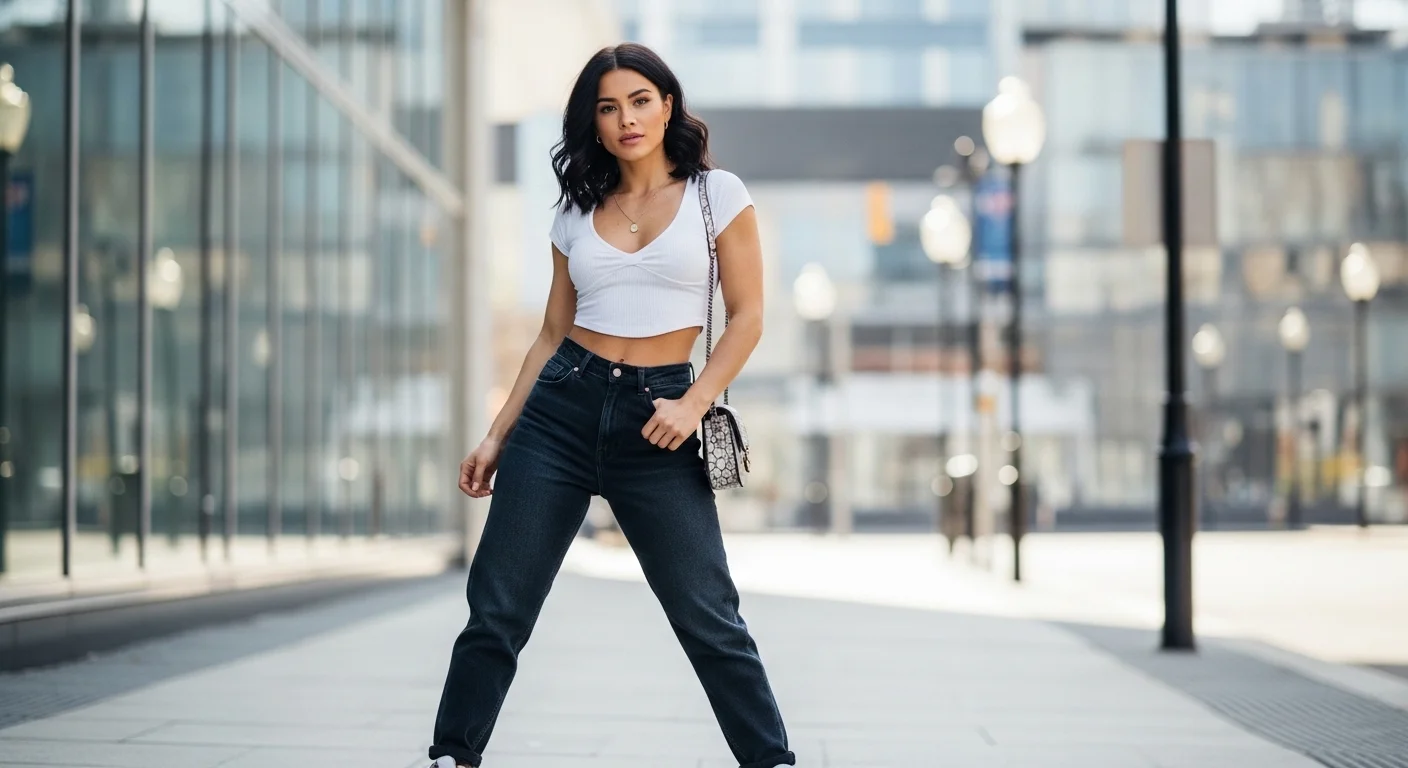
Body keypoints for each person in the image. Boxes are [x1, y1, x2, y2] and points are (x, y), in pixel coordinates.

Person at [424, 43, 796, 768]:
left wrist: (693, 403)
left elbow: (748, 316)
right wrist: (499, 435)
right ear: (591, 123)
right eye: (607, 107)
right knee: (497, 610)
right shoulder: (575, 211)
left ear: (667, 105)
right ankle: (450, 756)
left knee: (709, 616)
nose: (625, 118)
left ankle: (771, 760)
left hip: (659, 419)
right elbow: (550, 334)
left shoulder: (717, 194)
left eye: (639, 100)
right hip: (559, 412)